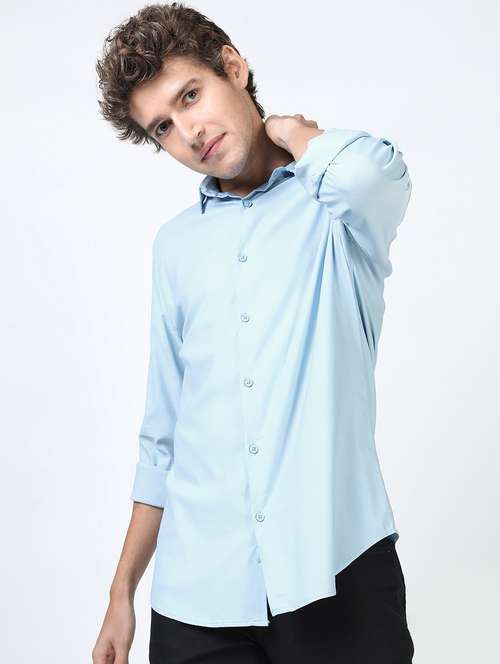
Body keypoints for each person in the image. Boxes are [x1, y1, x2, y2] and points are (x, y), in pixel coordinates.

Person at [92, 3, 415, 663]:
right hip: (198, 595)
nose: (189, 132)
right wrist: (122, 591)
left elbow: (370, 174)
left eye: (191, 95)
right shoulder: (175, 247)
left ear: (233, 67)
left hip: (337, 573)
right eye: (163, 126)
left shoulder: (336, 211)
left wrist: (290, 131)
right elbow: (164, 433)